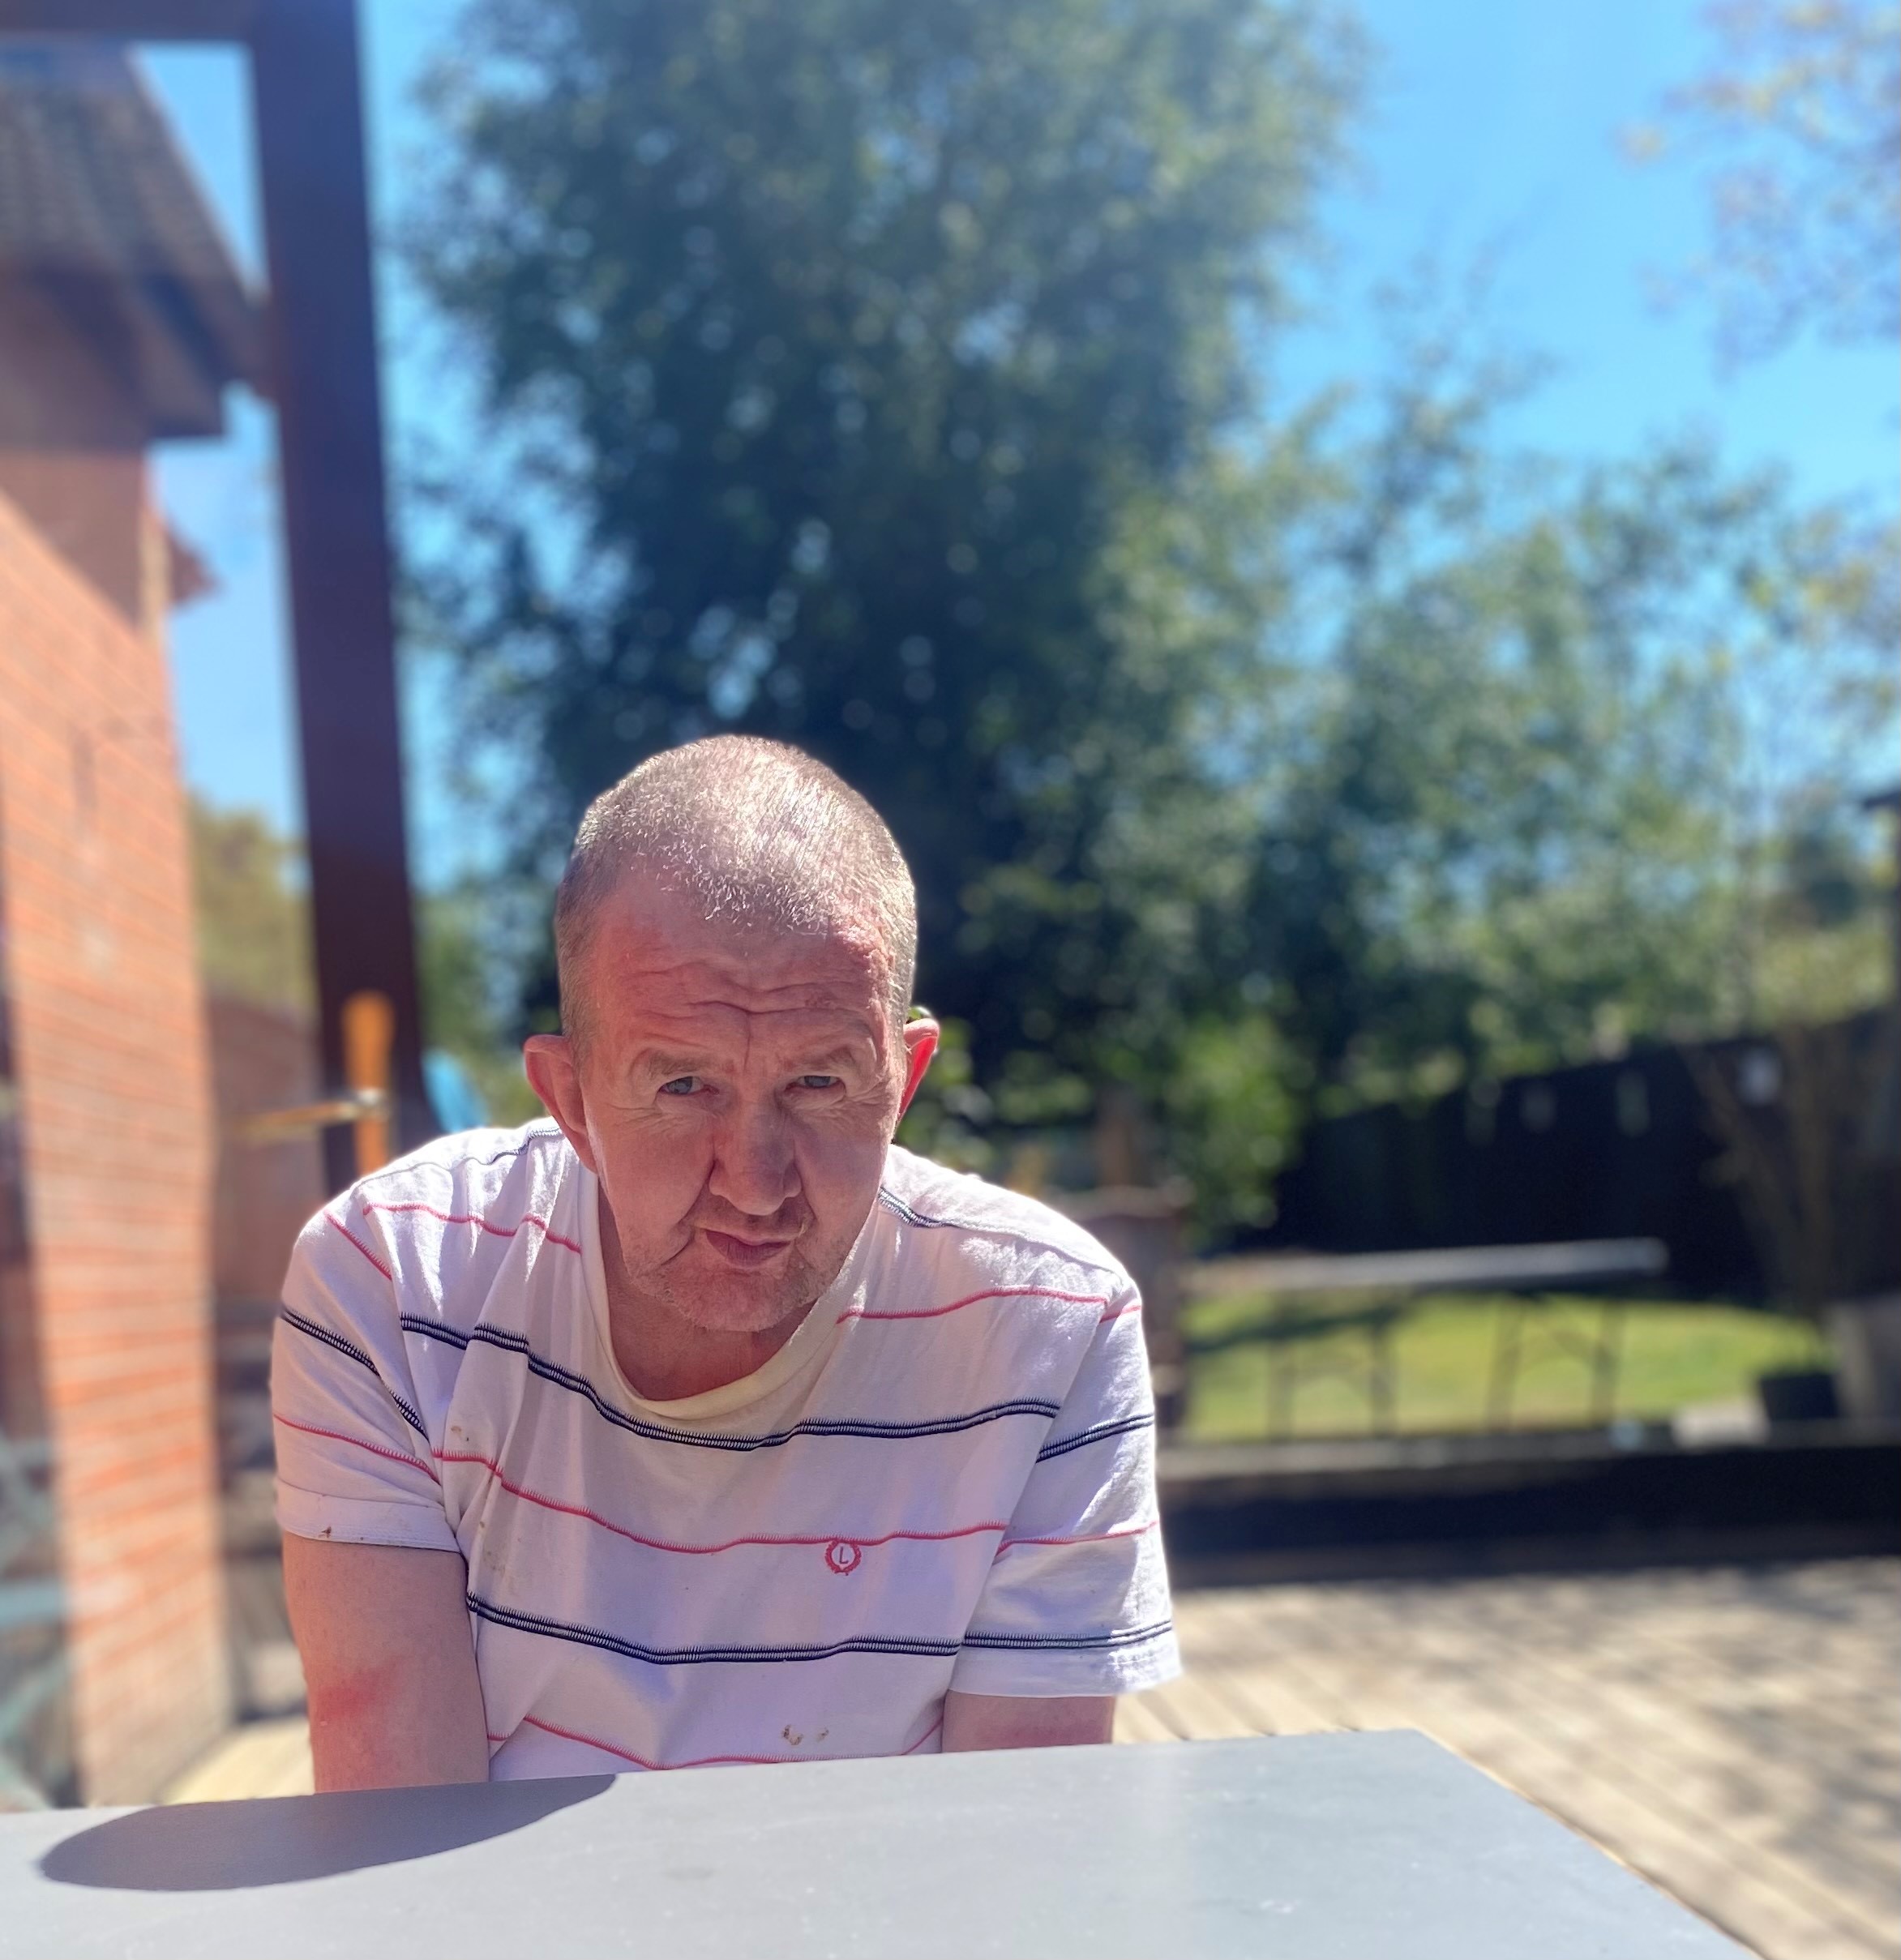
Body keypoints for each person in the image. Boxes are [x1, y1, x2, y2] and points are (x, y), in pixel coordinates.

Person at [273, 736, 1178, 1788]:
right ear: (568, 1099)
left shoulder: (1050, 1326)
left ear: (904, 1078)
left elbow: (1018, 1838)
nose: (753, 1182)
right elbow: (402, 1833)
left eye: (819, 1083)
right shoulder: (392, 1280)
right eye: (682, 1086)